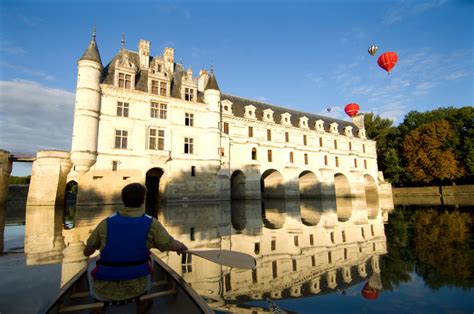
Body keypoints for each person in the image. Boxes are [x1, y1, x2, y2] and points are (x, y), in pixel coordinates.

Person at [83, 182, 188, 303]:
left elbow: (87, 252)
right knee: (151, 258)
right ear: (143, 201)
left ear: (123, 200)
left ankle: (98, 307)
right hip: (138, 287)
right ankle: (143, 303)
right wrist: (180, 247)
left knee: (92, 262)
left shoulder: (106, 223)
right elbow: (168, 244)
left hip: (103, 289)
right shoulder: (151, 223)